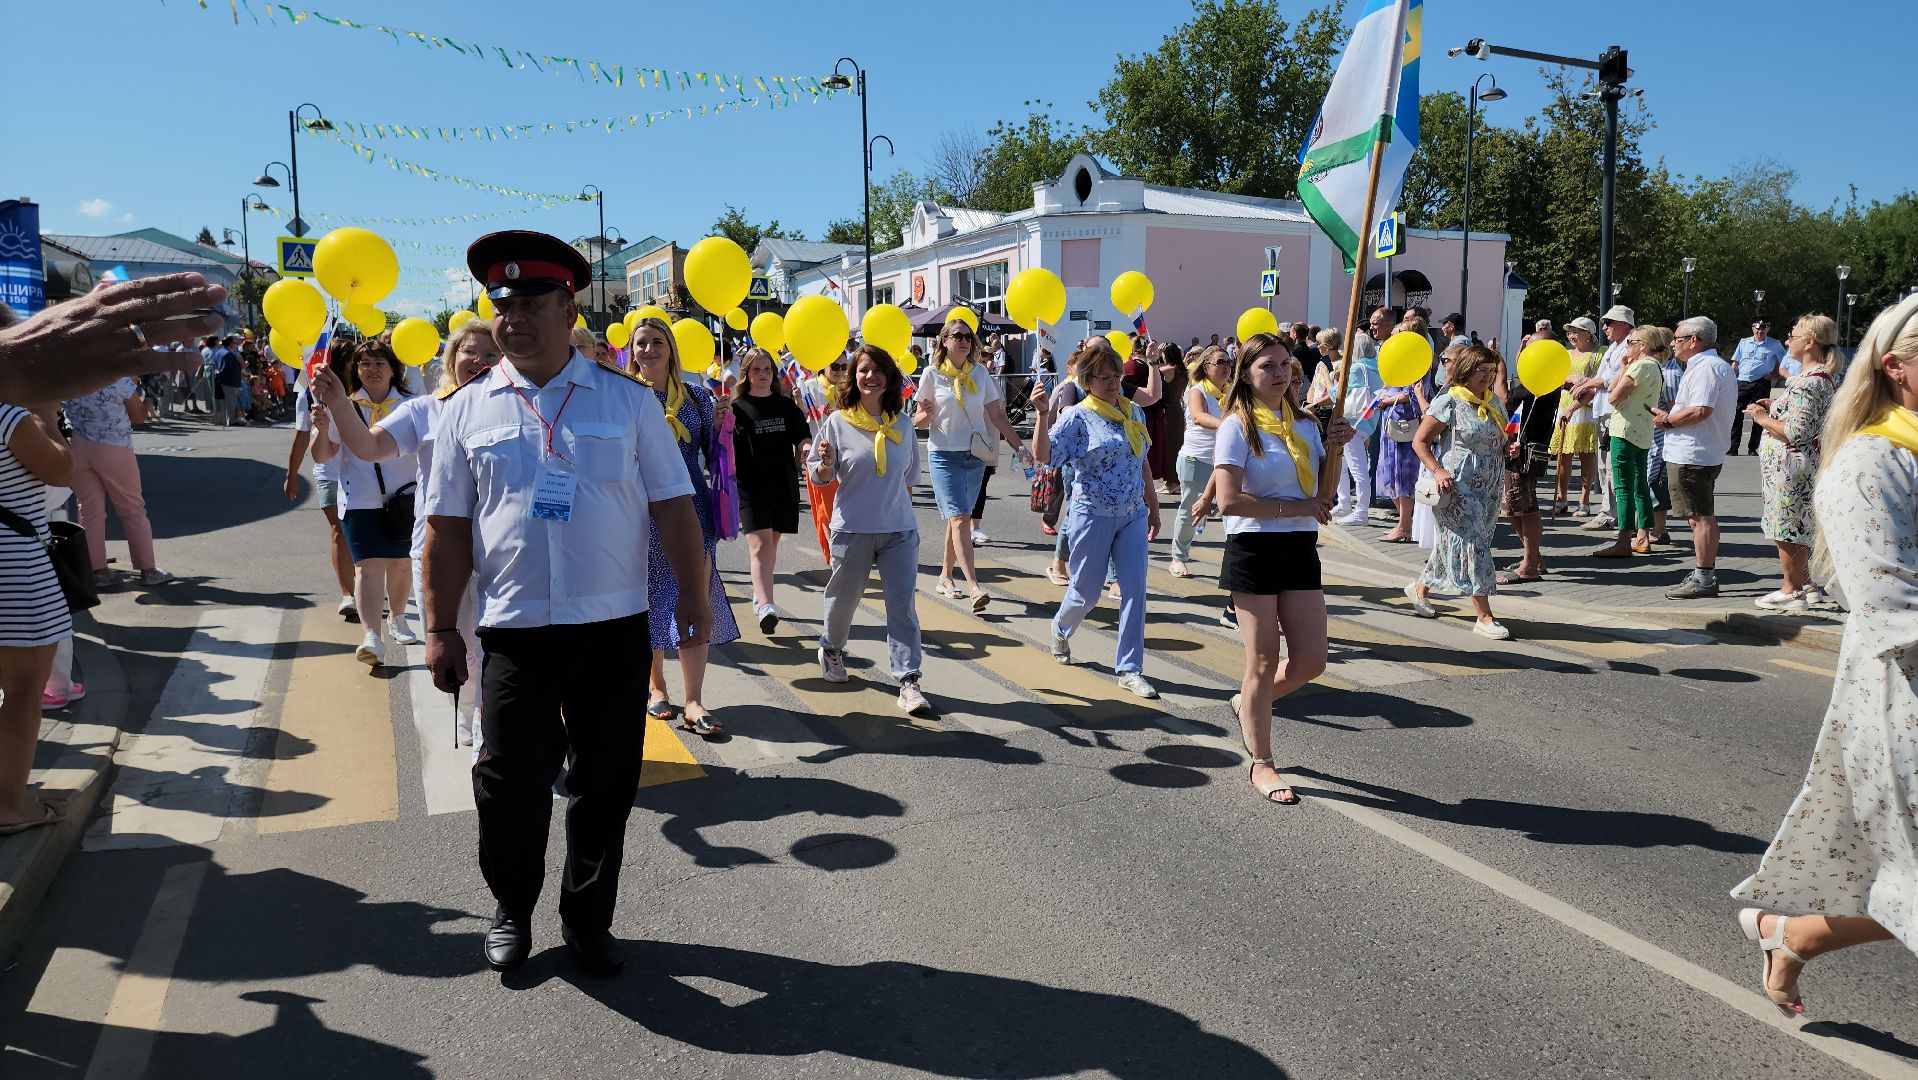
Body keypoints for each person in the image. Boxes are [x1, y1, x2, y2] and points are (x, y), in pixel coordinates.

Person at [423, 230, 709, 977]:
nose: (512, 318)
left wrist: (693, 598)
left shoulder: (629, 402)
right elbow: (446, 528)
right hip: (513, 630)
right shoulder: (464, 411)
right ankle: (512, 906)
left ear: (568, 308)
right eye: (502, 305)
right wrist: (439, 628)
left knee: (604, 784)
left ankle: (587, 920)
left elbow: (674, 506)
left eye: (530, 303)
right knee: (507, 785)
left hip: (611, 627)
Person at [1731, 294, 1918, 1016]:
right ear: (1895, 366)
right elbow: (1889, 599)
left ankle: (1795, 935)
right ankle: (1793, 935)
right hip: (1903, 695)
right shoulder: (1870, 462)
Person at [313, 318, 500, 748]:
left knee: (491, 647)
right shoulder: (424, 410)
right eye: (471, 351)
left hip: (498, 550)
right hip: (437, 551)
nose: (480, 361)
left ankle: (487, 728)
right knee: (453, 643)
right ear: (451, 358)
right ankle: (467, 716)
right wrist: (339, 403)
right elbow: (368, 447)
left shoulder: (516, 408)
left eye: (491, 354)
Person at [1213, 333, 1353, 804]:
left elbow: (1323, 496)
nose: (1279, 373)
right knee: (1262, 662)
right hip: (1253, 548)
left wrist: (1336, 448)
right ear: (1246, 375)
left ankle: (1249, 701)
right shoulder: (1237, 426)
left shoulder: (1307, 424)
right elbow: (1229, 500)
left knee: (1312, 661)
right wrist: (1297, 508)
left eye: (1284, 364)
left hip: (1299, 547)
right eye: (1267, 366)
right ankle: (1262, 762)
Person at [628, 316, 741, 738]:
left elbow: (715, 453)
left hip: (693, 509)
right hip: (641, 510)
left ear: (671, 349)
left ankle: (694, 700)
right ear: (631, 351)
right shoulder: (624, 395)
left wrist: (722, 425)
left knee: (698, 597)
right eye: (641, 343)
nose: (649, 349)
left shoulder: (696, 397)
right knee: (650, 598)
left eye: (658, 342)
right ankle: (656, 685)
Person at [1029, 341, 1161, 700]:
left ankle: (1130, 669)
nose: (1113, 383)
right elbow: (1045, 455)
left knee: (1135, 591)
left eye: (1116, 376)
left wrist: (1153, 506)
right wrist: (1042, 414)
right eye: (1104, 377)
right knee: (1086, 591)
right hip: (1092, 514)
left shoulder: (1134, 413)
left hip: (1132, 514)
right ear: (1087, 381)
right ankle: (1061, 627)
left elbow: (1142, 461)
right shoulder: (1077, 417)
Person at [807, 344, 930, 717]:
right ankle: (831, 648)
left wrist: (900, 515)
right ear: (853, 377)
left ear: (889, 377)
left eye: (878, 370)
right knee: (843, 599)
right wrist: (825, 464)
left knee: (902, 606)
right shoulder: (837, 423)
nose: (870, 376)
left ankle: (908, 680)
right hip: (853, 528)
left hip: (898, 531)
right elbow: (819, 475)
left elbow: (909, 479)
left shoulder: (902, 424)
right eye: (863, 370)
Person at [310, 336, 420, 666]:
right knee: (368, 569)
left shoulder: (412, 405)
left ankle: (397, 617)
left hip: (404, 500)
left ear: (393, 369)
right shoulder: (341, 405)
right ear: (355, 370)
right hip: (359, 500)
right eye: (365, 364)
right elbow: (323, 455)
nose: (372, 370)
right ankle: (372, 636)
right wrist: (321, 429)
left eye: (379, 363)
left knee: (400, 564)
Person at [914, 317, 1030, 614]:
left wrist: (1019, 446)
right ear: (944, 340)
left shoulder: (980, 373)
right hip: (943, 456)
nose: (964, 341)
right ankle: (974, 586)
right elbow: (918, 422)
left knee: (958, 520)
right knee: (960, 519)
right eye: (958, 336)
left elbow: (997, 416)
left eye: (968, 336)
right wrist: (927, 414)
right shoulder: (931, 374)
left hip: (975, 457)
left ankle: (945, 576)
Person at [0, 399, 72, 834]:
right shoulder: (10, 418)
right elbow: (61, 470)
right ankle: (10, 805)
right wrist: (46, 413)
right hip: (14, 565)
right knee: (24, 690)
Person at [1404, 344, 1511, 639]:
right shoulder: (1449, 402)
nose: (1488, 376)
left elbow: (1498, 439)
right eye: (1482, 370)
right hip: (1457, 486)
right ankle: (1484, 616)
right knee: (1475, 545)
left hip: (1489, 485)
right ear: (1466, 370)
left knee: (1456, 542)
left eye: (1492, 371)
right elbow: (1420, 441)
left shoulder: (1493, 402)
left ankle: (1420, 587)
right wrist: (1438, 471)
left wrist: (1508, 448)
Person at [1042, 338, 1160, 587]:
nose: (1112, 381)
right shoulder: (1074, 388)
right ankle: (1060, 562)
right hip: (1082, 465)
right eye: (1095, 350)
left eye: (1107, 349)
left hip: (1128, 499)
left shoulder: (1123, 396)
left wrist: (1153, 363)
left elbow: (1152, 396)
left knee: (1133, 577)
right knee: (1073, 515)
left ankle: (1114, 578)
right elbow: (1064, 426)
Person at [1746, 314, 1841, 610]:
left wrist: (1762, 418)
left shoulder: (1808, 382)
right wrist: (1776, 405)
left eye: (1793, 336)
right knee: (1797, 525)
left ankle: (1792, 589)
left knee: (1787, 527)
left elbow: (1797, 432)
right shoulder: (1815, 378)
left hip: (1790, 469)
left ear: (1809, 343)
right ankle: (1806, 583)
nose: (1788, 341)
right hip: (1796, 467)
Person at [61, 374, 172, 589]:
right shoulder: (117, 378)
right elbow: (138, 416)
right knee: (132, 508)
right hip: (113, 445)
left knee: (89, 510)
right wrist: (148, 400)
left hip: (77, 444)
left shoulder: (70, 376)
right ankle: (148, 569)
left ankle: (98, 571)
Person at [730, 347, 811, 632]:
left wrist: (806, 449)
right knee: (761, 546)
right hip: (750, 487)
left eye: (767, 369)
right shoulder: (736, 408)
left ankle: (759, 592)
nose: (763, 374)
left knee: (770, 547)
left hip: (782, 485)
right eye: (756, 369)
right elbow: (723, 446)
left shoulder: (785, 405)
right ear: (746, 373)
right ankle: (766, 606)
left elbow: (802, 436)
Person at [1656, 317, 1737, 600]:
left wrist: (1668, 420)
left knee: (1700, 518)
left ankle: (1704, 577)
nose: (1672, 344)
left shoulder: (1706, 368)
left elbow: (1701, 410)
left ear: (1694, 341)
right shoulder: (1710, 366)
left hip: (1693, 453)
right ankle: (1704, 573)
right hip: (1699, 451)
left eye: (1677, 339)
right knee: (1701, 516)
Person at [1591, 326, 1670, 559]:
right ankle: (1643, 536)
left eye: (1630, 342)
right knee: (1640, 485)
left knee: (1623, 486)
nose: (1627, 346)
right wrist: (1624, 366)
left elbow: (1613, 396)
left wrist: (1625, 368)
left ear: (1643, 345)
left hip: (1624, 430)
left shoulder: (1640, 366)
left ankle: (1624, 540)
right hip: (1642, 431)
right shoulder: (1656, 366)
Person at [287, 368, 359, 621]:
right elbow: (302, 434)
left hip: (363, 470)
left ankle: (366, 579)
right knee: (339, 530)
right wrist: (291, 475)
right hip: (328, 472)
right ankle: (348, 594)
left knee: (361, 531)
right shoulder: (308, 394)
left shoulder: (361, 387)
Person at [1306, 329, 1381, 526]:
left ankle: (1361, 512)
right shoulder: (1376, 368)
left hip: (1352, 423)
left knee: (1356, 469)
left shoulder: (1356, 369)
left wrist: (1328, 379)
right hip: (1367, 422)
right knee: (1346, 464)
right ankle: (1345, 502)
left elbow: (1336, 394)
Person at [1168, 346, 1231, 577]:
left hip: (1224, 460)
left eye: (1228, 362)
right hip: (1197, 459)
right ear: (1206, 366)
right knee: (1191, 510)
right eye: (1220, 362)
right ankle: (1178, 557)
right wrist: (1229, 424)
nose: (1226, 367)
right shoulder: (1197, 391)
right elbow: (1198, 416)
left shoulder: (1230, 393)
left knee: (1231, 509)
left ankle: (1235, 561)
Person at [1579, 307, 1635, 531]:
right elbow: (1600, 379)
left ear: (1625, 324)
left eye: (1610, 323)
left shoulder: (1630, 346)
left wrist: (1585, 382)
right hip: (1604, 412)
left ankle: (1612, 514)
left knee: (1613, 466)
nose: (1605, 327)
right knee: (1604, 466)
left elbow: (1609, 379)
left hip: (1616, 413)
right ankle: (1610, 511)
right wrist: (1584, 386)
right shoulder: (1613, 347)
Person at [1549, 318, 1603, 516]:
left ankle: (1584, 500)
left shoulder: (1598, 354)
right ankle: (1561, 498)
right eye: (1569, 332)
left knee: (1587, 454)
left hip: (1586, 407)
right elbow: (1556, 375)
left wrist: (1583, 382)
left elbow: (1599, 380)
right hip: (1565, 403)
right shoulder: (1566, 354)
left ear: (1588, 333)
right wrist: (1569, 380)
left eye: (1576, 331)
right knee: (1563, 454)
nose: (1571, 336)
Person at [1728, 319, 1788, 455]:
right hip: (1742, 382)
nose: (1760, 331)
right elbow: (1735, 362)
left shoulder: (1774, 344)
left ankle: (1753, 448)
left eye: (1763, 328)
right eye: (1757, 328)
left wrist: (1774, 375)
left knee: (1759, 414)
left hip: (1761, 382)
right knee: (1736, 414)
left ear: (1768, 329)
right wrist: (1731, 378)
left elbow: (1785, 361)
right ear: (1753, 329)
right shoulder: (1744, 342)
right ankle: (1733, 447)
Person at [1152, 342, 1188, 495]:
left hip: (1169, 411)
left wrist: (1157, 357)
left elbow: (1153, 372)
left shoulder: (1168, 370)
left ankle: (1173, 482)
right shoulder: (1183, 371)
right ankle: (1173, 480)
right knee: (1176, 446)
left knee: (1169, 448)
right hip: (1178, 410)